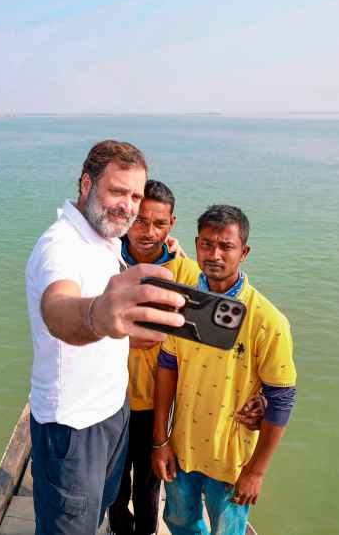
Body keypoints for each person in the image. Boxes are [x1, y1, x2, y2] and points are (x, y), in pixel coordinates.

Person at [25, 140, 188, 535]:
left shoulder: (106, 238)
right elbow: (58, 308)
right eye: (117, 191)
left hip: (114, 410)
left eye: (135, 195)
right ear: (86, 183)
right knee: (71, 527)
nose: (128, 206)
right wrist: (98, 315)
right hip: (74, 427)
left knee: (98, 511)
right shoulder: (59, 246)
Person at [151, 204, 297, 535]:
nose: (214, 254)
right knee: (178, 521)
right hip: (184, 447)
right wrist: (160, 441)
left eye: (226, 246)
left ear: (243, 252)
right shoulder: (184, 304)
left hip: (233, 461)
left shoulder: (266, 321)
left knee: (227, 530)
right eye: (206, 244)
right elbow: (167, 367)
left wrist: (256, 471)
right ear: (197, 244)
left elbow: (282, 396)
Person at [108, 180, 200, 535]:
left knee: (148, 486)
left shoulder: (188, 274)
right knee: (112, 484)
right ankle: (118, 528)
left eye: (159, 223)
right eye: (140, 220)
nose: (148, 232)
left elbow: (205, 340)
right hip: (108, 399)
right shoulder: (105, 258)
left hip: (157, 404)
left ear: (172, 224)